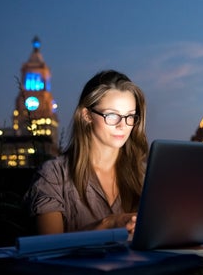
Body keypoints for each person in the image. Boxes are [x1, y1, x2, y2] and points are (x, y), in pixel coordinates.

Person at [23, 69, 149, 235]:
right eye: (112, 115)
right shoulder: (54, 175)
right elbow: (49, 247)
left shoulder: (143, 175)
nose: (123, 125)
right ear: (87, 115)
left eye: (130, 116)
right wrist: (109, 224)